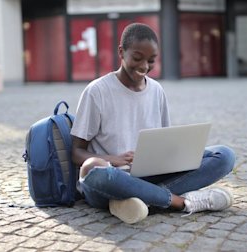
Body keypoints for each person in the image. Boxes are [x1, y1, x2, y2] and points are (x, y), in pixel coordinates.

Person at [70, 23, 236, 224]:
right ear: (121, 52)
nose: (144, 67)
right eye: (137, 58)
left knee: (224, 155)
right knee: (93, 168)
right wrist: (114, 159)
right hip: (110, 181)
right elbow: (77, 153)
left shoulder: (157, 91)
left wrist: (176, 154)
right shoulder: (97, 92)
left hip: (148, 176)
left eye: (151, 61)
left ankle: (135, 201)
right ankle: (181, 202)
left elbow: (164, 142)